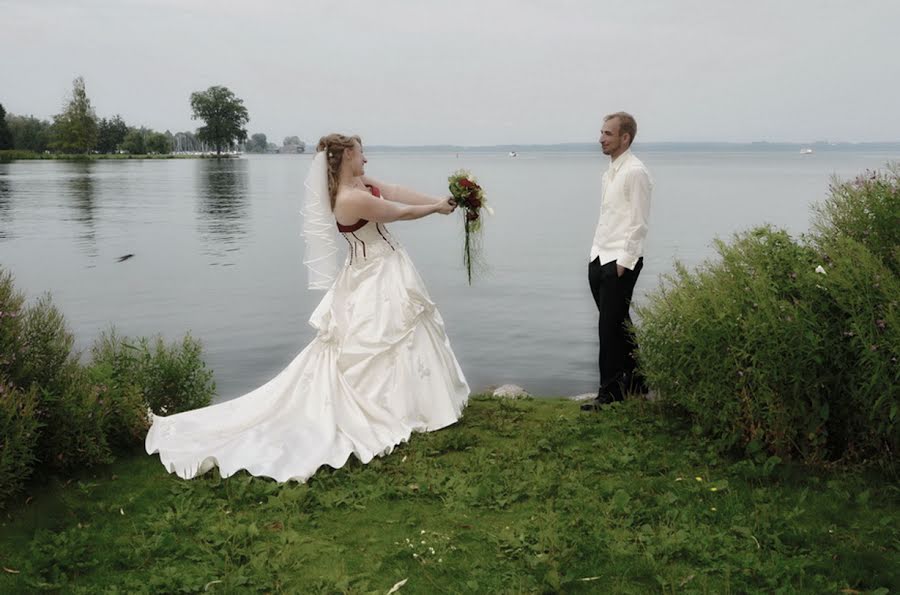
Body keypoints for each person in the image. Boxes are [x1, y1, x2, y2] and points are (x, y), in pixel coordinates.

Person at [146, 134, 470, 481]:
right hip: (374, 273)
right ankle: (390, 410)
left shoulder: (361, 184)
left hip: (384, 269)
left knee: (401, 337)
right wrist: (436, 210)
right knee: (381, 339)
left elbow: (395, 191)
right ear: (347, 156)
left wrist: (439, 199)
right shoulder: (348, 199)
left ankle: (416, 404)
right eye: (361, 154)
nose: (366, 160)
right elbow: (398, 212)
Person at [582, 112, 653, 412]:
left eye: (608, 134)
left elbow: (638, 222)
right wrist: (595, 257)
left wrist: (623, 262)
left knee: (607, 328)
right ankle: (637, 383)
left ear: (625, 138)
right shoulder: (610, 172)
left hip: (620, 262)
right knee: (619, 324)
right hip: (600, 255)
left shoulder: (635, 172)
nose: (601, 138)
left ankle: (608, 393)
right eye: (601, 132)